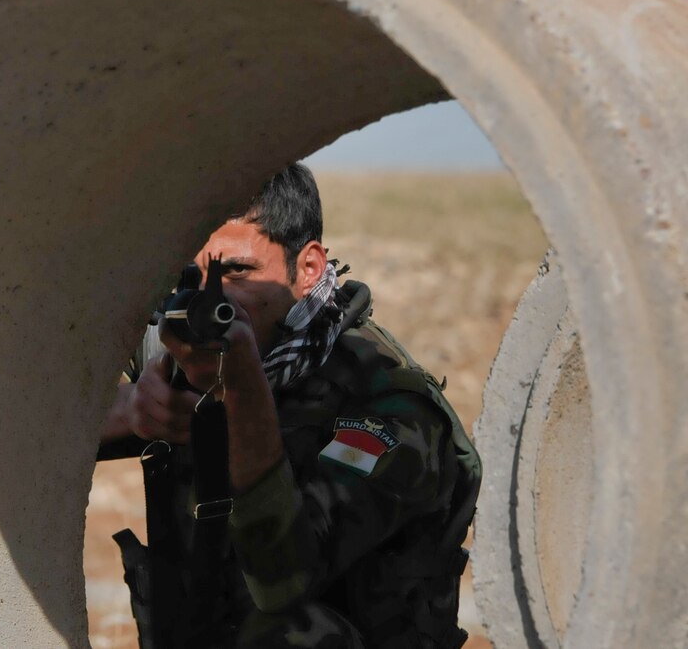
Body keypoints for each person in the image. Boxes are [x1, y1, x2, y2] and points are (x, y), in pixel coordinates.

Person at [99, 163, 481, 648]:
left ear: (308, 269)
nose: (209, 298)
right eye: (189, 276)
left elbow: (283, 575)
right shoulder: (180, 346)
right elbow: (12, 420)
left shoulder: (390, 411)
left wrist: (239, 393)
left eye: (236, 271)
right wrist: (133, 410)